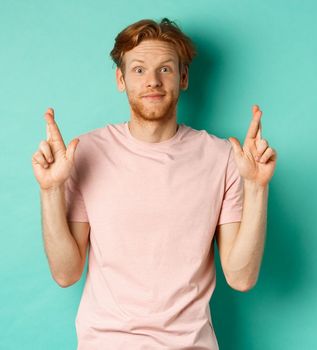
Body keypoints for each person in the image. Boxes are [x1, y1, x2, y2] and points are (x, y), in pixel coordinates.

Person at [31, 18, 277, 349]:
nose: (152, 81)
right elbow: (66, 273)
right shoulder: (86, 152)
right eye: (138, 70)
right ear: (121, 79)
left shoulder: (222, 158)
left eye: (165, 69)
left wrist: (257, 187)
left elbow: (241, 276)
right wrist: (50, 191)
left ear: (184, 77)